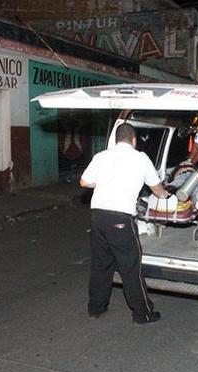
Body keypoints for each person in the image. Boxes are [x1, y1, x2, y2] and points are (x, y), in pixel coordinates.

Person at [80, 123, 169, 324]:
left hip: (98, 216)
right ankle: (142, 313)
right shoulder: (140, 158)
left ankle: (96, 308)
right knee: (130, 267)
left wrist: (103, 182)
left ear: (116, 139)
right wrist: (165, 195)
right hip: (120, 219)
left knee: (101, 265)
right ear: (134, 140)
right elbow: (156, 189)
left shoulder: (101, 156)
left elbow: (84, 182)